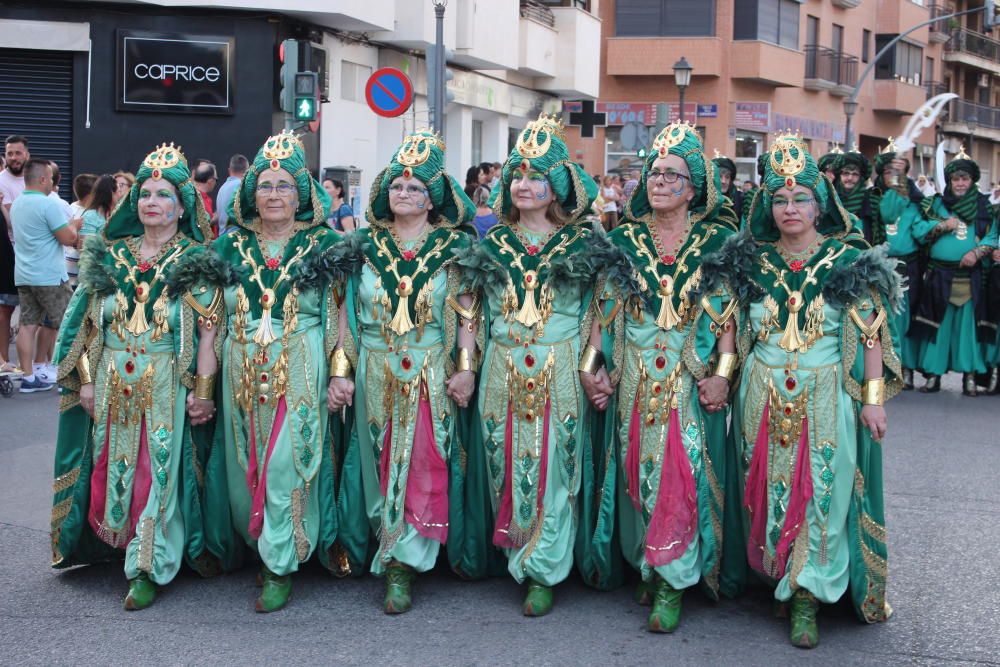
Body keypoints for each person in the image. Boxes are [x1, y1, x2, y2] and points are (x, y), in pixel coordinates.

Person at [721, 132, 901, 648]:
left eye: (800, 198)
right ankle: (780, 577)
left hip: (825, 394)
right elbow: (733, 329)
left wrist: (871, 401)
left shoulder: (848, 260)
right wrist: (721, 378)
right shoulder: (750, 261)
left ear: (821, 206)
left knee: (823, 490)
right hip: (761, 391)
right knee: (768, 491)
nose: (789, 207)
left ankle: (808, 594)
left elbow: (869, 331)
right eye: (779, 198)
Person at [49, 142, 233, 609]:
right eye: (145, 194)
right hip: (111, 380)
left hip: (167, 381)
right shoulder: (110, 255)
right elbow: (87, 326)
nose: (152, 202)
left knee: (161, 470)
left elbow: (209, 336)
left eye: (163, 195)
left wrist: (205, 393)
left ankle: (149, 564)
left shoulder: (197, 261)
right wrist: (87, 380)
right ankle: (119, 544)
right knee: (113, 465)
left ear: (181, 206)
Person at [585, 122, 739, 633]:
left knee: (683, 471)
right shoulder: (623, 239)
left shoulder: (717, 241)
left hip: (688, 381)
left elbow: (728, 320)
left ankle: (673, 579)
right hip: (633, 377)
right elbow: (601, 315)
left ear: (695, 187)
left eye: (673, 175)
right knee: (638, 472)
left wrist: (721, 376)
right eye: (653, 172)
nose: (660, 181)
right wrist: (593, 372)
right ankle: (649, 561)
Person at [329, 129, 486, 614]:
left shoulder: (455, 247)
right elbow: (345, 315)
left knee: (422, 458)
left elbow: (467, 313)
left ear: (434, 197)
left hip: (429, 370)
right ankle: (387, 539)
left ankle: (404, 564)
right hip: (375, 367)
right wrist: (341, 371)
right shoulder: (363, 246)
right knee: (378, 461)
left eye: (416, 187)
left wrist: (465, 368)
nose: (405, 193)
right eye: (397, 185)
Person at [459, 114, 600, 616]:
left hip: (558, 365)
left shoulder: (583, 244)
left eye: (535, 176)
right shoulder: (491, 242)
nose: (522, 185)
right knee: (504, 457)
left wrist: (591, 365)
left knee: (555, 463)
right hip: (501, 366)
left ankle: (544, 568)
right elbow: (469, 308)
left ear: (557, 186)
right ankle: (516, 551)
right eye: (516, 176)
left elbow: (598, 313)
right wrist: (466, 366)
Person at [211, 131, 339, 612]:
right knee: (246, 462)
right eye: (265, 185)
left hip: (301, 361)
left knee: (287, 462)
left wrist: (341, 372)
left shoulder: (324, 244)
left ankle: (280, 563)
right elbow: (209, 322)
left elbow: (339, 314)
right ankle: (260, 543)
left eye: (284, 186)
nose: (273, 195)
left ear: (302, 192)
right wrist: (203, 383)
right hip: (240, 367)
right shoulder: (228, 246)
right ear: (250, 192)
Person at [911, 146, 998, 395]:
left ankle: (969, 378)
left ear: (972, 181)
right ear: (949, 181)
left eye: (965, 178)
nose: (960, 183)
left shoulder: (984, 206)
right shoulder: (934, 204)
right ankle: (933, 376)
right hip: (939, 275)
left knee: (968, 331)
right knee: (937, 327)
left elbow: (993, 236)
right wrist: (941, 226)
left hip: (971, 278)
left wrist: (976, 252)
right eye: (956, 179)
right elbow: (918, 231)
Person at [11, 159, 80, 392]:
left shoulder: (18, 203)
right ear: (42, 179)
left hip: (24, 274)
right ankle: (67, 377)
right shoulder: (48, 204)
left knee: (27, 325)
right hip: (50, 276)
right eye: (50, 178)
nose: (53, 182)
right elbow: (68, 239)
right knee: (70, 323)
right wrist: (74, 225)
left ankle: (28, 377)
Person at [863, 145, 929, 389]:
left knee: (904, 319)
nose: (893, 176)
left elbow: (922, 230)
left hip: (907, 267)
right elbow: (886, 214)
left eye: (898, 172)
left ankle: (904, 368)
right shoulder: (870, 199)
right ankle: (877, 368)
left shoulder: (914, 202)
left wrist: (939, 228)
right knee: (876, 317)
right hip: (876, 267)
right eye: (889, 171)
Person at [0, 135, 29, 231]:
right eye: (10, 153)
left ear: (26, 155)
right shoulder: (1, 180)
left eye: (18, 153)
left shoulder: (34, 177)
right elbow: (13, 220)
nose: (13, 158)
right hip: (11, 244)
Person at [216, 153, 248, 236]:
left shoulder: (222, 189)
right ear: (247, 171)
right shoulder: (242, 187)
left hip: (223, 240)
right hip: (237, 241)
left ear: (229, 170)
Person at [80, 175, 115, 240]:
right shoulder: (90, 216)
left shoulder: (120, 214)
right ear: (110, 193)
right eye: (118, 190)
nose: (121, 193)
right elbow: (85, 246)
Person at [713, 149, 744, 216]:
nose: (723, 181)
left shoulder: (740, 198)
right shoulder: (704, 198)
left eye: (727, 177)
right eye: (719, 177)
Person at [194, 162, 218, 234]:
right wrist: (215, 218)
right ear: (210, 181)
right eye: (216, 179)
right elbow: (199, 225)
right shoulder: (195, 198)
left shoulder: (202, 197)